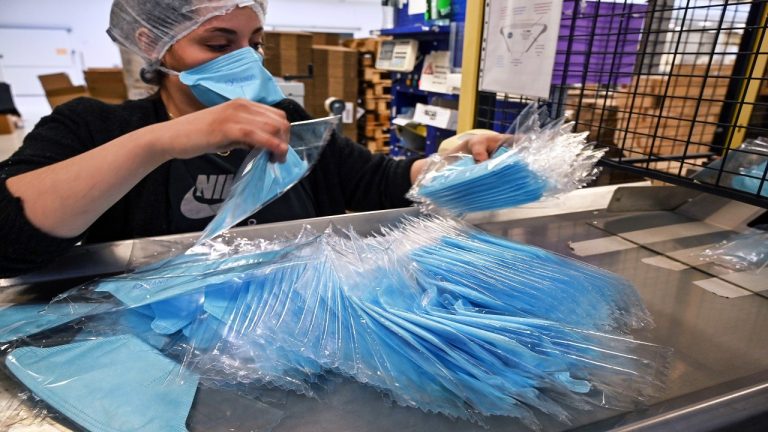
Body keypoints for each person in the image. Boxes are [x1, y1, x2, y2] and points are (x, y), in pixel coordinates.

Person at [0, 0, 506, 277]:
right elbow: (9, 241)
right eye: (218, 44)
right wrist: (160, 141)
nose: (246, 58)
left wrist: (448, 162)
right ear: (153, 43)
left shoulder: (284, 118)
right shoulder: (93, 127)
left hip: (291, 329)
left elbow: (379, 181)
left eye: (254, 44)